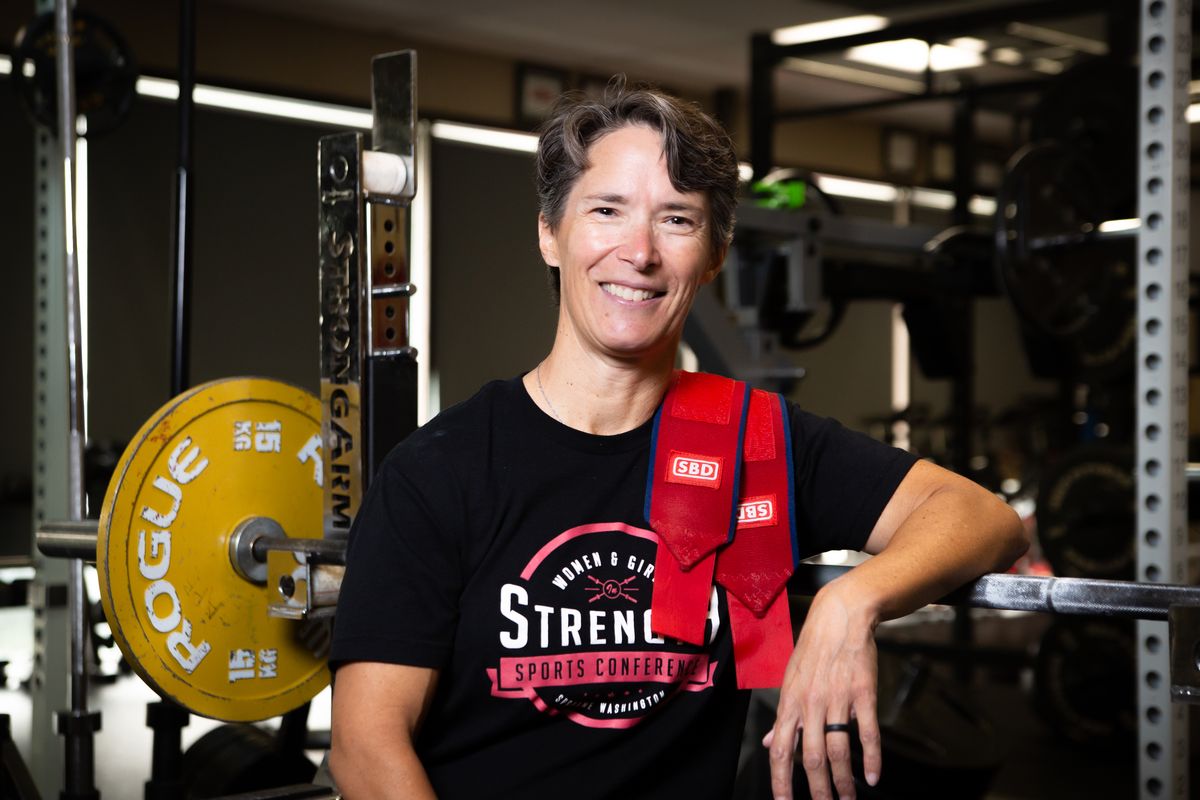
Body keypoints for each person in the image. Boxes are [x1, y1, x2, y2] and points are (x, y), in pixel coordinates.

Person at [327, 80, 1028, 800]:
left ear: (715, 253)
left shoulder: (757, 444)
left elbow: (983, 518)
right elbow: (364, 748)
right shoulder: (441, 470)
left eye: (677, 220)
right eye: (607, 211)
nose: (640, 252)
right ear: (549, 233)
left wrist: (852, 601)